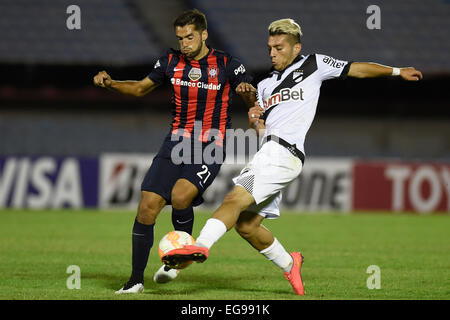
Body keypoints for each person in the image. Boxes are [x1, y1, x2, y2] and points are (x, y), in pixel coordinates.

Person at [162, 18, 423, 295]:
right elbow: (261, 124)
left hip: (282, 153)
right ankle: (290, 264)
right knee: (247, 225)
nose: (273, 52)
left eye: (279, 47)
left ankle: (199, 246)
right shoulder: (264, 85)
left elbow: (355, 69)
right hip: (270, 152)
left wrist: (396, 71)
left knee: (233, 199)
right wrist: (255, 115)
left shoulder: (314, 65)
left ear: (296, 48)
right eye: (270, 47)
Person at [93, 9, 256, 294]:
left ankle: (178, 259)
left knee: (181, 195)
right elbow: (141, 88)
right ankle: (135, 281)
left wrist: (246, 92)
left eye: (190, 37)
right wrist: (112, 83)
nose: (184, 43)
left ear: (204, 34)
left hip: (211, 143)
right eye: (180, 38)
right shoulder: (170, 61)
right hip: (176, 142)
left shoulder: (229, 64)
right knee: (147, 205)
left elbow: (252, 95)